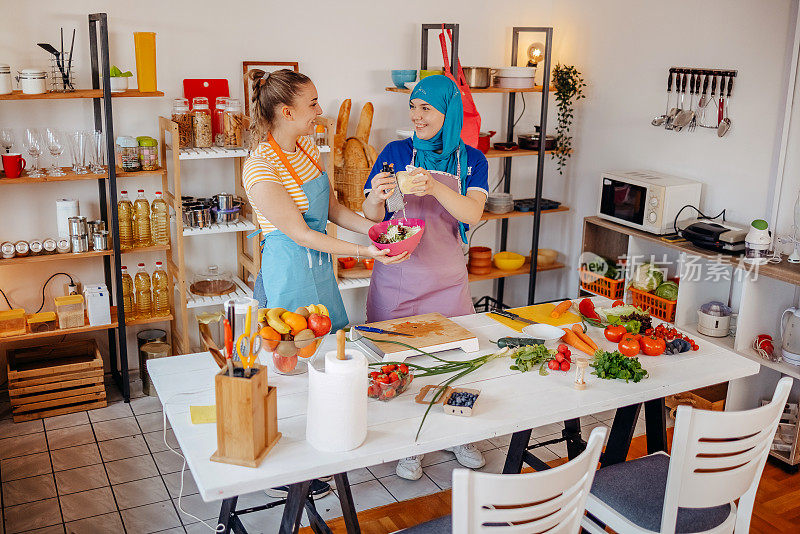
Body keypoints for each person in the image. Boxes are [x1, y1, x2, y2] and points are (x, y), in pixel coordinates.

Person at [241, 69, 407, 497]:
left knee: (323, 361)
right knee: (290, 367)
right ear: (286, 110)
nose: (320, 109)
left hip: (318, 268)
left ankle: (320, 452)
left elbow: (332, 209)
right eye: (313, 103)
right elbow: (298, 232)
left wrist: (373, 228)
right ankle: (289, 473)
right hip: (289, 270)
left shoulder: (309, 150)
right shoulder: (259, 165)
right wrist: (366, 253)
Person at [361, 75, 489, 480]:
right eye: (413, 107)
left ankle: (455, 432)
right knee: (400, 365)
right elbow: (369, 214)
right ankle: (411, 444)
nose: (416, 116)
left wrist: (432, 184)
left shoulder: (472, 160)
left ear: (448, 112)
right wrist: (378, 195)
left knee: (453, 364)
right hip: (398, 278)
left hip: (446, 278)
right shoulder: (396, 151)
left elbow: (472, 214)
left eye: (426, 108)